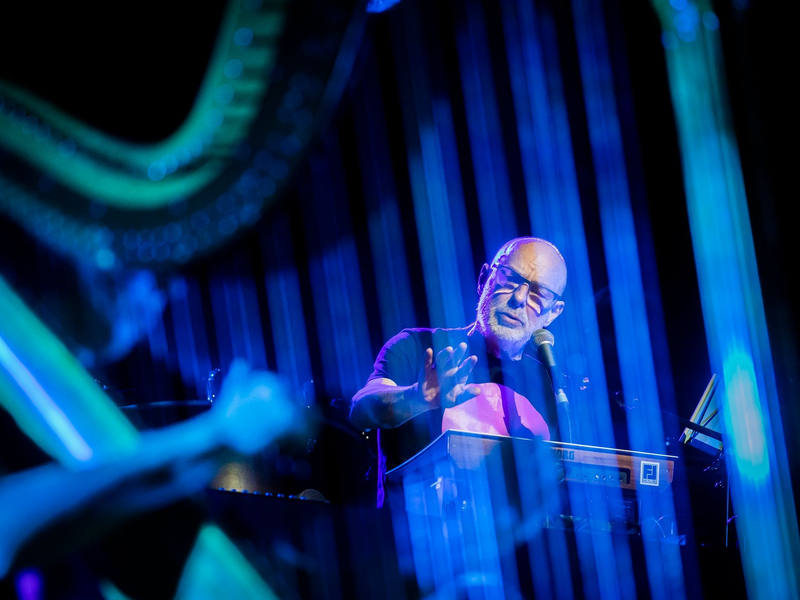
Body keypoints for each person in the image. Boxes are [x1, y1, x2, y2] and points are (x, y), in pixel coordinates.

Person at [350, 237, 568, 491]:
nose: (519, 297)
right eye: (509, 277)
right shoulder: (418, 345)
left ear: (553, 312)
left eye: (538, 292)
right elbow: (360, 410)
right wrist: (417, 398)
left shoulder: (548, 384)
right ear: (484, 279)